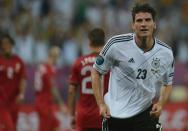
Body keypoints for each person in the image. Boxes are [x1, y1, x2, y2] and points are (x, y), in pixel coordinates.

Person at [91, 3, 174, 131]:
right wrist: (101, 104)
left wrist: (161, 103)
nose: (143, 24)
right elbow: (96, 71)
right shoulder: (116, 45)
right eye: (139, 20)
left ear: (154, 24)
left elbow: (167, 83)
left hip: (145, 113)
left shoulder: (166, 53)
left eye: (147, 20)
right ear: (133, 25)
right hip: (115, 114)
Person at [68, 28, 109, 131]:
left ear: (89, 42)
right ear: (104, 42)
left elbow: (71, 91)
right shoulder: (110, 63)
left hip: (83, 116)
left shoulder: (79, 62)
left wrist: (72, 115)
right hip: (104, 114)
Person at [34, 46, 67, 131]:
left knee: (56, 126)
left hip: (40, 101)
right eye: (58, 57)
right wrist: (61, 104)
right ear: (54, 56)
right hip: (45, 104)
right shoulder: (49, 69)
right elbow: (53, 88)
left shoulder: (42, 66)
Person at [0, 33, 26, 131]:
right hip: (2, 102)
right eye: (3, 44)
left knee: (13, 127)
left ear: (12, 44)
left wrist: (22, 94)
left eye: (8, 43)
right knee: (9, 127)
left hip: (14, 101)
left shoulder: (19, 61)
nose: (6, 46)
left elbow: (23, 79)